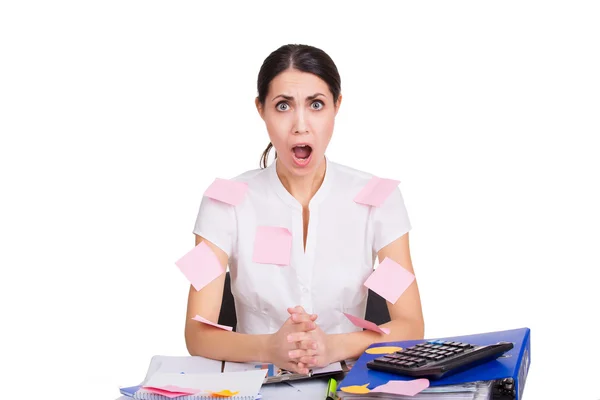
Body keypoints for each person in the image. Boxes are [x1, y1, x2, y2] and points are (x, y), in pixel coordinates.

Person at [185, 44, 424, 374]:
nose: (300, 125)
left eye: (316, 105)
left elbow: (410, 324)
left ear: (337, 107)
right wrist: (270, 347)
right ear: (261, 110)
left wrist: (332, 346)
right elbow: (197, 334)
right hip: (255, 384)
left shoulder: (377, 199)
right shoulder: (223, 201)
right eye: (283, 106)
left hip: (345, 384)